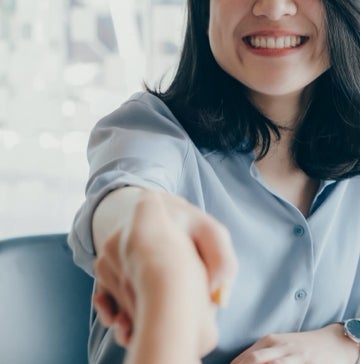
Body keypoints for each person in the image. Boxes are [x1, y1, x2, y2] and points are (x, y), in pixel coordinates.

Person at [68, 0, 360, 363]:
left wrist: (346, 342)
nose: (273, 8)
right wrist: (146, 238)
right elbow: (122, 195)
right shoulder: (153, 130)